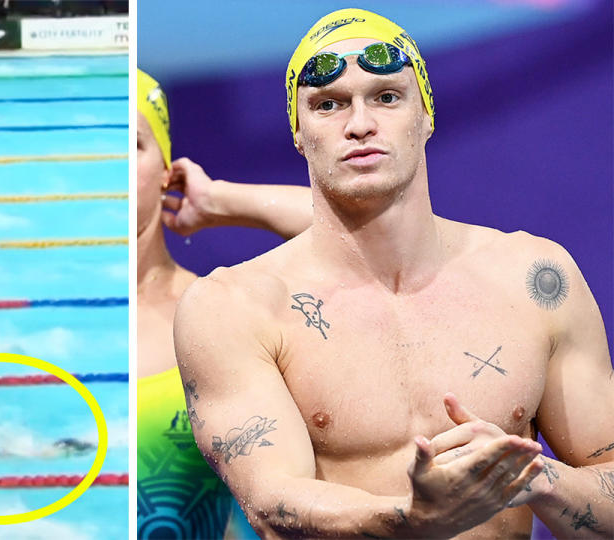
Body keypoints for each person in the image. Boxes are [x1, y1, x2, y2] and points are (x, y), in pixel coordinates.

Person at [173, 8, 614, 539]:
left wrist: (537, 478)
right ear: (297, 131)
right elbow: (272, 502)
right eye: (328, 104)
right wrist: (411, 519)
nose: (359, 124)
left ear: (426, 114)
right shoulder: (235, 307)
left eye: (386, 96)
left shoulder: (535, 280)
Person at [136, 69, 312, 539]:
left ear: (166, 173)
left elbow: (363, 239)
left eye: (129, 145)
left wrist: (220, 199)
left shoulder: (221, 312)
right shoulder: (24, 324)